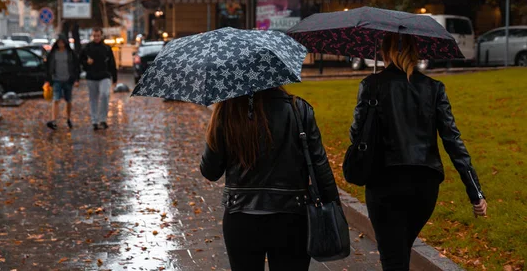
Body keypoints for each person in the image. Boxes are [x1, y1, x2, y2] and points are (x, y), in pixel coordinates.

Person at [350, 33, 487, 271]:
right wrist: (475, 191)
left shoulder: (371, 85)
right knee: (399, 250)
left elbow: (356, 135)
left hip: (385, 182)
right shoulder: (434, 88)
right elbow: (453, 140)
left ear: (386, 52)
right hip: (425, 185)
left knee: (393, 256)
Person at [200, 87, 340, 271]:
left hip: (241, 218)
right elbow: (320, 166)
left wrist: (216, 128)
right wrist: (334, 210)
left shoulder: (227, 111)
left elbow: (210, 171)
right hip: (291, 217)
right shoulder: (298, 109)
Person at [80, 27, 117, 130]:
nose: (96, 38)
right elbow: (81, 61)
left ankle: (103, 119)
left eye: (98, 36)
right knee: (93, 99)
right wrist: (86, 63)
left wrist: (114, 78)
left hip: (104, 75)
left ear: (101, 36)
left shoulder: (106, 48)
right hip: (91, 76)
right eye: (94, 36)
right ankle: (94, 120)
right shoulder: (87, 48)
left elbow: (112, 63)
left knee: (105, 95)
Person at [45, 34, 80, 130]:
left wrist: (76, 79)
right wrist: (48, 80)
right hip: (56, 79)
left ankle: (68, 118)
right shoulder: (52, 54)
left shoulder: (70, 54)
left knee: (68, 100)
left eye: (62, 42)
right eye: (59, 42)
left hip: (68, 80)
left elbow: (76, 67)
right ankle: (54, 120)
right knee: (56, 99)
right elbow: (48, 68)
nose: (61, 44)